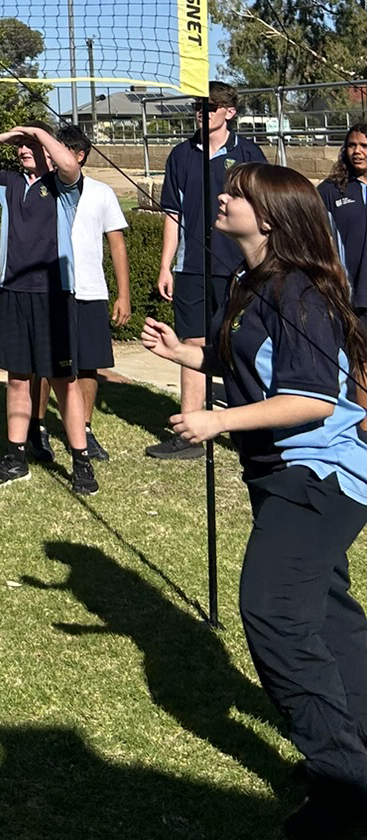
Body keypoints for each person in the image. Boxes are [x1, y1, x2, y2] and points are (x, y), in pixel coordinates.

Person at [140, 164, 367, 838]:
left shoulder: (299, 291)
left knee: (272, 613)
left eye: (237, 194)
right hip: (280, 476)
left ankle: (342, 786)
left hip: (320, 477)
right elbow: (244, 354)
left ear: (269, 216)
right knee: (327, 617)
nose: (225, 198)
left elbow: (310, 398)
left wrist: (216, 421)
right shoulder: (250, 281)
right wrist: (187, 352)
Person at [0, 125, 88, 491]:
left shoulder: (64, 186)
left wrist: (37, 133)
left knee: (64, 381)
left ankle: (81, 462)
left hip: (54, 294)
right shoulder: (10, 184)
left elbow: (67, 163)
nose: (23, 151)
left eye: (31, 146)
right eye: (21, 147)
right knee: (17, 378)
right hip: (13, 291)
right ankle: (16, 457)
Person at [149, 82, 268, 460]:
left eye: (210, 107)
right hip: (191, 269)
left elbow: (268, 210)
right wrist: (166, 265)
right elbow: (172, 212)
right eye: (198, 107)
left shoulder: (248, 153)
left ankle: (253, 425)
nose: (202, 113)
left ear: (229, 112)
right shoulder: (181, 154)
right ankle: (190, 432)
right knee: (193, 343)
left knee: (241, 345)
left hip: (239, 268)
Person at [29, 124, 131, 464]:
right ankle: (38, 427)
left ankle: (84, 428)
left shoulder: (102, 193)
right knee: (44, 366)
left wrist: (123, 294)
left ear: (79, 156)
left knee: (88, 366)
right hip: (51, 291)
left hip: (90, 291)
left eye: (61, 151)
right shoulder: (44, 190)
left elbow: (116, 242)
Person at [319, 122, 367, 322]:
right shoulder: (331, 190)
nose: (357, 151)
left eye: (364, 146)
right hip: (351, 295)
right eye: (351, 145)